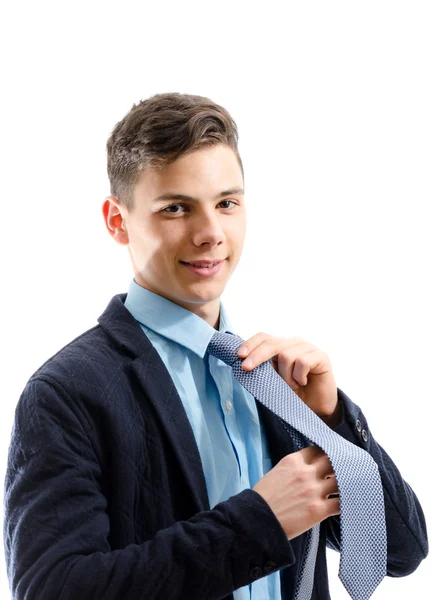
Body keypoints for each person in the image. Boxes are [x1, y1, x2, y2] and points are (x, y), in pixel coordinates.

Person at [3, 92, 428, 600]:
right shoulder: (66, 393)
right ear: (118, 221)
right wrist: (259, 522)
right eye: (177, 208)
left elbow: (399, 552)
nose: (210, 234)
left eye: (227, 203)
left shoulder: (274, 378)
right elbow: (53, 591)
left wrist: (333, 422)